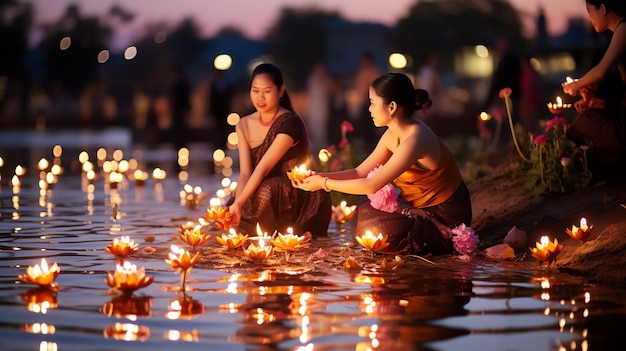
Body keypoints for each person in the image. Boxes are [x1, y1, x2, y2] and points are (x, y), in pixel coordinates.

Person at [292, 73, 472, 255]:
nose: (369, 109)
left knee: (378, 229)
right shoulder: (393, 134)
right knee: (367, 215)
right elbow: (360, 172)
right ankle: (417, 219)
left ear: (392, 107)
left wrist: (323, 184)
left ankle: (440, 236)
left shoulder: (415, 139)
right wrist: (319, 176)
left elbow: (371, 184)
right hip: (418, 208)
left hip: (445, 214)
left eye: (372, 103)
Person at [227, 63, 331, 238]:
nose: (260, 97)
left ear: (281, 91)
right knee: (235, 201)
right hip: (262, 184)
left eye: (267, 91)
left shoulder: (290, 123)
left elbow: (264, 167)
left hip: (296, 190)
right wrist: (238, 203)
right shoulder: (243, 124)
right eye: (255, 90)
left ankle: (288, 230)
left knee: (265, 190)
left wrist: (242, 201)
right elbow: (246, 172)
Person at [561, 0, 626, 183]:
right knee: (593, 113)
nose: (589, 18)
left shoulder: (624, 27)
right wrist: (601, 101)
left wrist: (576, 85)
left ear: (603, 8)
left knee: (584, 126)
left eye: (589, 11)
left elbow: (601, 71)